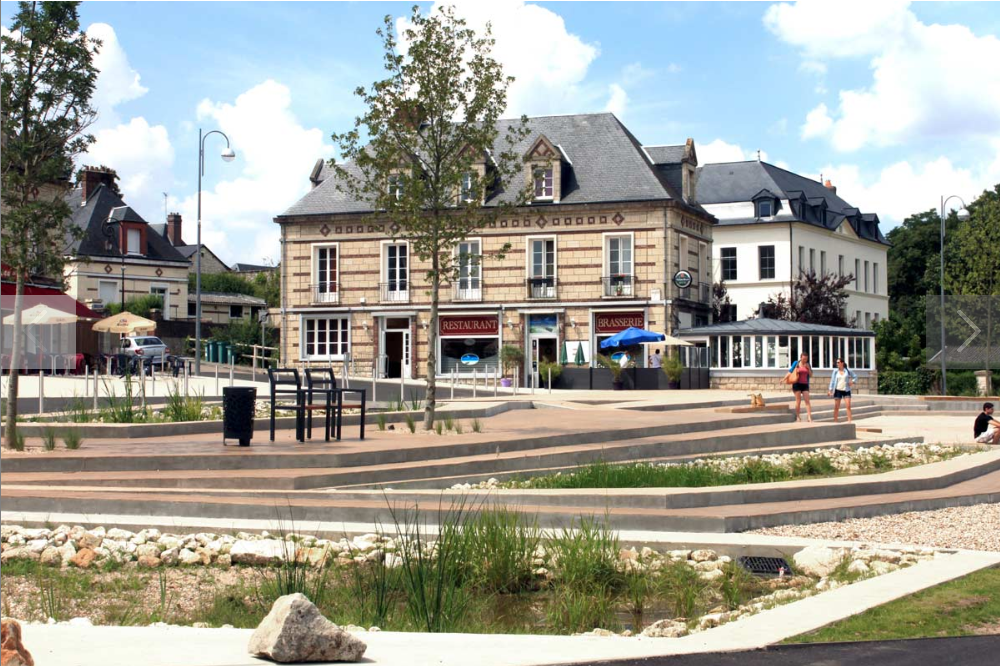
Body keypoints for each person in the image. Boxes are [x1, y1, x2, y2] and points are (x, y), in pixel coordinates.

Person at [826, 358, 857, 422]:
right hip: (838, 390)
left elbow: (855, 376)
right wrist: (830, 390)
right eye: (836, 362)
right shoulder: (835, 371)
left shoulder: (848, 371)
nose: (837, 364)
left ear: (842, 363)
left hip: (846, 390)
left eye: (838, 362)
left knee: (848, 406)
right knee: (836, 406)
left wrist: (852, 382)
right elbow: (832, 381)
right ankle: (835, 421)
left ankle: (849, 421)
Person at [788, 353, 813, 422]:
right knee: (798, 401)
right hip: (797, 384)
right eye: (804, 359)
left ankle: (809, 417)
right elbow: (790, 371)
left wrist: (808, 368)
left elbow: (811, 375)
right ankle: (798, 416)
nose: (805, 360)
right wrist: (784, 379)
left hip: (805, 384)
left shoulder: (808, 364)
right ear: (801, 358)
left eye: (806, 359)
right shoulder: (796, 363)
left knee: (807, 401)